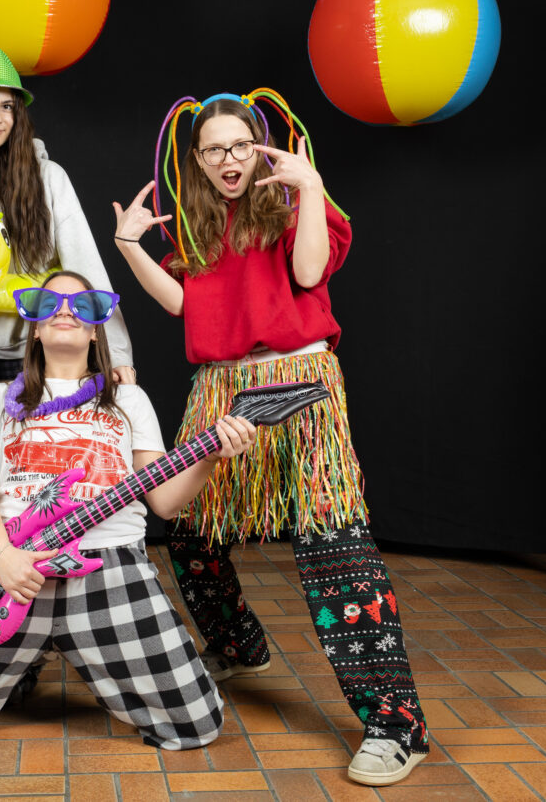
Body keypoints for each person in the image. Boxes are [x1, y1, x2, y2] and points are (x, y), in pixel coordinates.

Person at [111, 91, 428, 785]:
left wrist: (310, 186)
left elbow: (310, 272)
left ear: (259, 147)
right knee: (190, 531)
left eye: (239, 145)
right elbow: (186, 304)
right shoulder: (197, 226)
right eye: (214, 150)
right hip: (221, 391)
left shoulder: (293, 203)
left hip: (301, 383)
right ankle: (237, 645)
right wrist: (129, 245)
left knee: (332, 543)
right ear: (198, 160)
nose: (228, 159)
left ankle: (395, 725)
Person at [0, 271, 256, 750]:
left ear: (96, 330)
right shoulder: (0, 398)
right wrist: (2, 558)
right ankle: (27, 658)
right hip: (13, 565)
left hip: (108, 564)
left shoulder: (128, 399)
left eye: (83, 305)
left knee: (198, 723)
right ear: (35, 327)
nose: (66, 311)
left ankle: (42, 658)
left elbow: (165, 501)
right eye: (50, 304)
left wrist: (212, 456)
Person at [0, 46, 135, 539]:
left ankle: (33, 571)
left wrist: (116, 353)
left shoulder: (48, 178)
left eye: (7, 106)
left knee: (31, 473)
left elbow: (86, 267)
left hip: (30, 351)